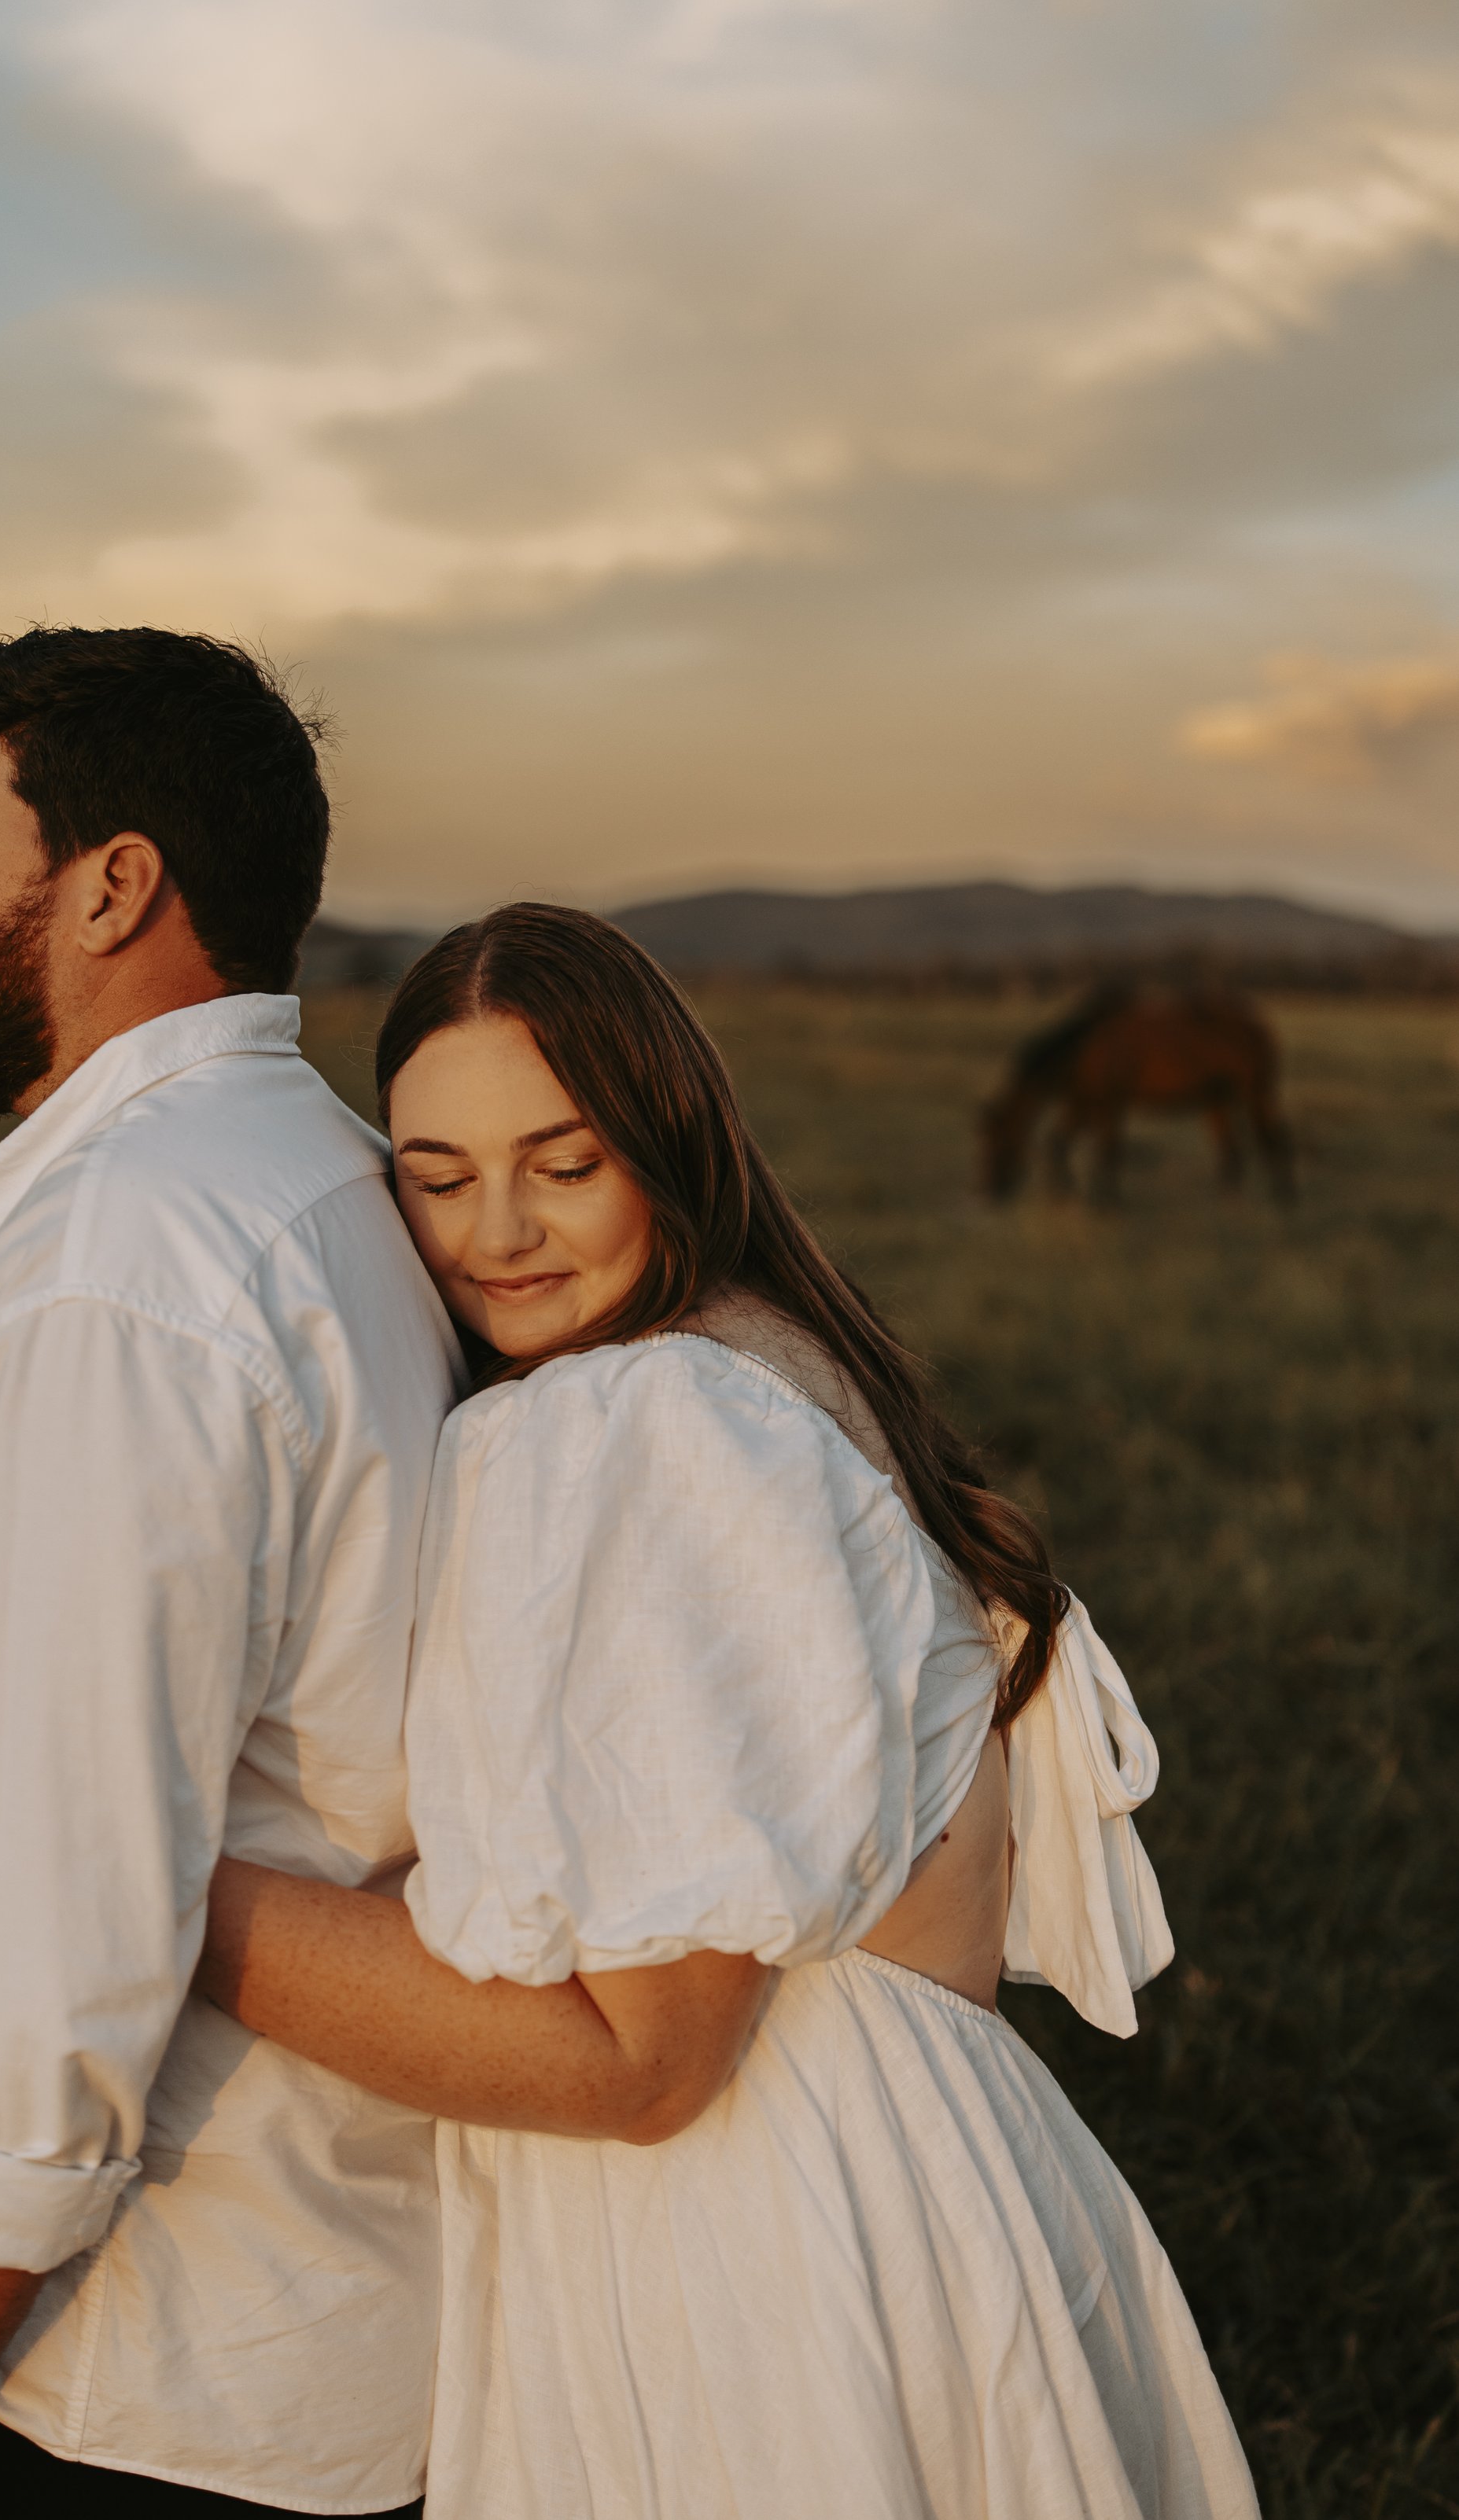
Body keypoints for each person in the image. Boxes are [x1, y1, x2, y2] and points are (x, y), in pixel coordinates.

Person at [200, 903, 1261, 2520]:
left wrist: (152, 1889)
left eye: (562, 1165)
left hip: (756, 2244)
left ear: (668, 1144)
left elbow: (643, 2063)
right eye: (434, 1177)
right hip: (927, 2174)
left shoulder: (645, 1424)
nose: (495, 1233)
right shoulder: (762, 1362)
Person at [0, 628, 461, 2520]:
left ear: (109, 883)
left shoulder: (119, 1282)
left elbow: (38, 1969)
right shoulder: (333, 1182)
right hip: (352, 2330)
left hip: (142, 2384)